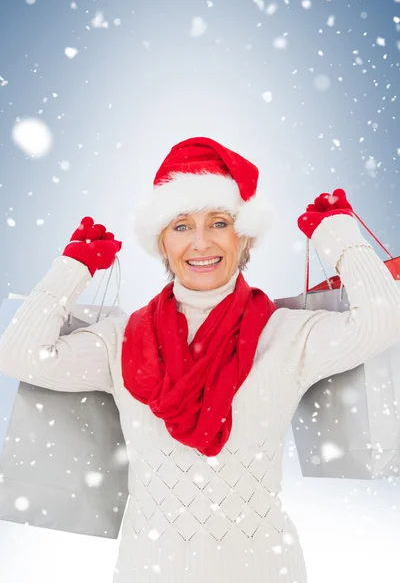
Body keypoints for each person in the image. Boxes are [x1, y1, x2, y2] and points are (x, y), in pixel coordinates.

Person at [0, 136, 399, 583]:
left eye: (219, 222)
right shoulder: (120, 340)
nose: (201, 242)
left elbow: (383, 321)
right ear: (162, 241)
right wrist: (72, 267)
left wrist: (340, 238)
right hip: (147, 572)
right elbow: (19, 355)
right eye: (181, 226)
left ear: (243, 233)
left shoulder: (286, 333)